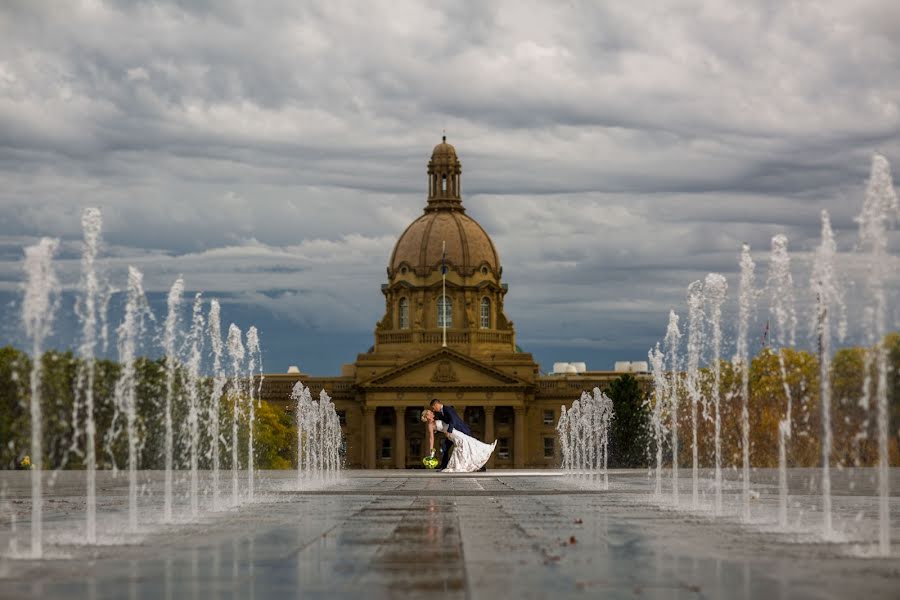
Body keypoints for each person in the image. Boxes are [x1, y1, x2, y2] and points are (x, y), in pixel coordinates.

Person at [421, 409, 496, 473]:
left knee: (468, 442)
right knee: (463, 445)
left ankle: (471, 462)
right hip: (451, 434)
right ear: (427, 416)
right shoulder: (430, 425)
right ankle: (466, 464)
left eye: (431, 412)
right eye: (429, 413)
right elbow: (431, 438)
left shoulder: (437, 419)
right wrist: (431, 449)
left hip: (454, 432)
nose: (431, 413)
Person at [429, 399, 469, 470]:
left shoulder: (448, 409)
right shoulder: (439, 413)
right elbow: (441, 424)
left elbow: (452, 420)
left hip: (461, 432)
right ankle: (444, 466)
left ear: (436, 405)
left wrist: (449, 431)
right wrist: (435, 429)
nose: (433, 410)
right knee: (445, 448)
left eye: (433, 408)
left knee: (468, 449)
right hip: (451, 434)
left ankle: (477, 466)